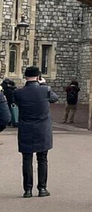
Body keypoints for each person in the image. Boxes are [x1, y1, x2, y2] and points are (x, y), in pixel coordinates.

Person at [14, 65, 58, 198]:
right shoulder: (46, 90)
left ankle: (27, 190)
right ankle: (42, 188)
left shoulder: (18, 92)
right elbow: (55, 99)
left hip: (26, 128)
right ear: (38, 77)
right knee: (42, 158)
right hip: (42, 129)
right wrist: (44, 84)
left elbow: (16, 103)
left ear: (25, 77)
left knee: (27, 159)